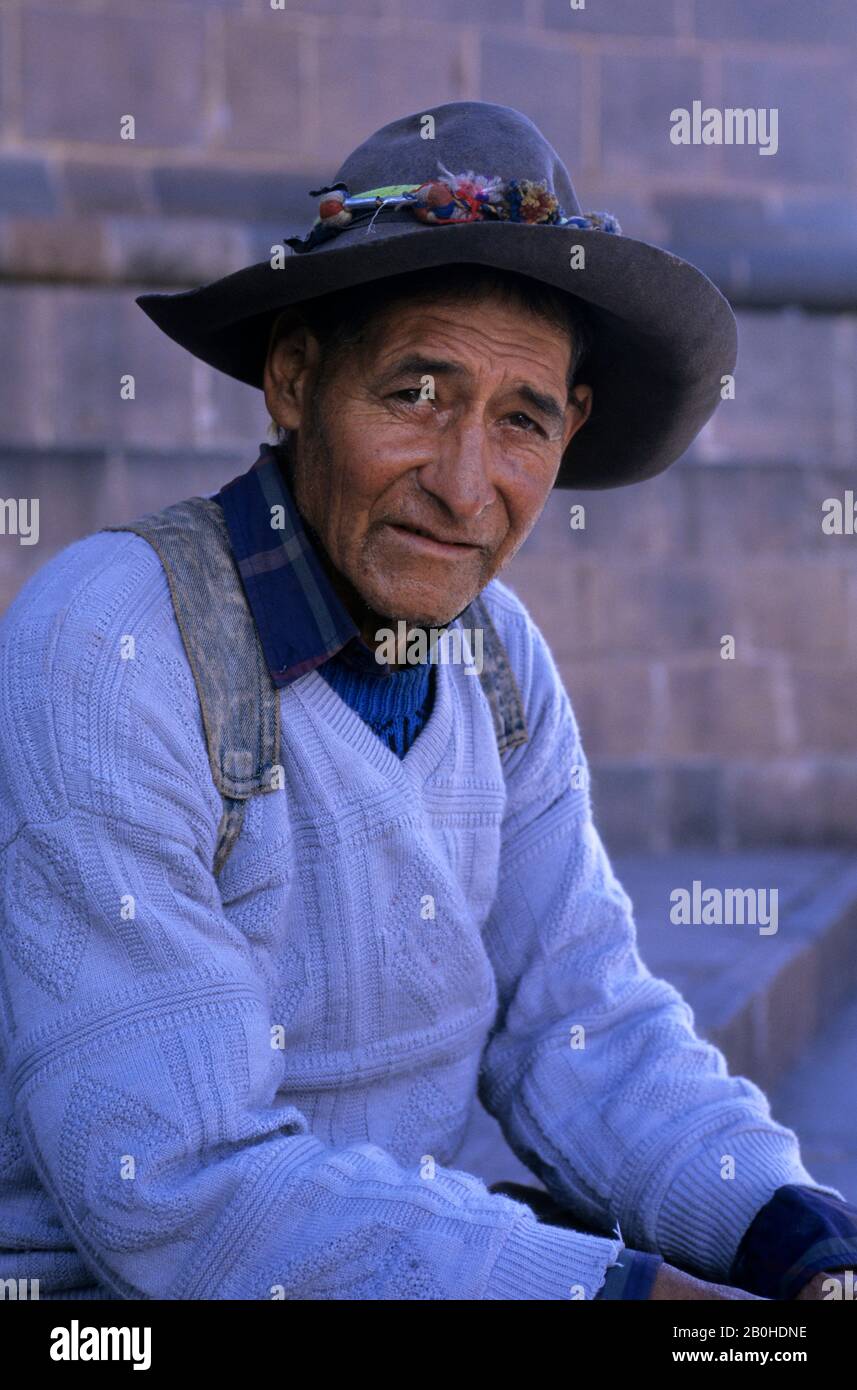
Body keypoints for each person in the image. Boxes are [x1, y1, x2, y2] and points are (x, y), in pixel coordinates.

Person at [1, 101, 855, 1301]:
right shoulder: (112, 644)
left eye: (521, 420)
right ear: (294, 381)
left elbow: (580, 1025)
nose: (465, 486)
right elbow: (174, 1189)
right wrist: (623, 1297)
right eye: (414, 391)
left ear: (570, 431)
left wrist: (795, 1237)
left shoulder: (497, 658)